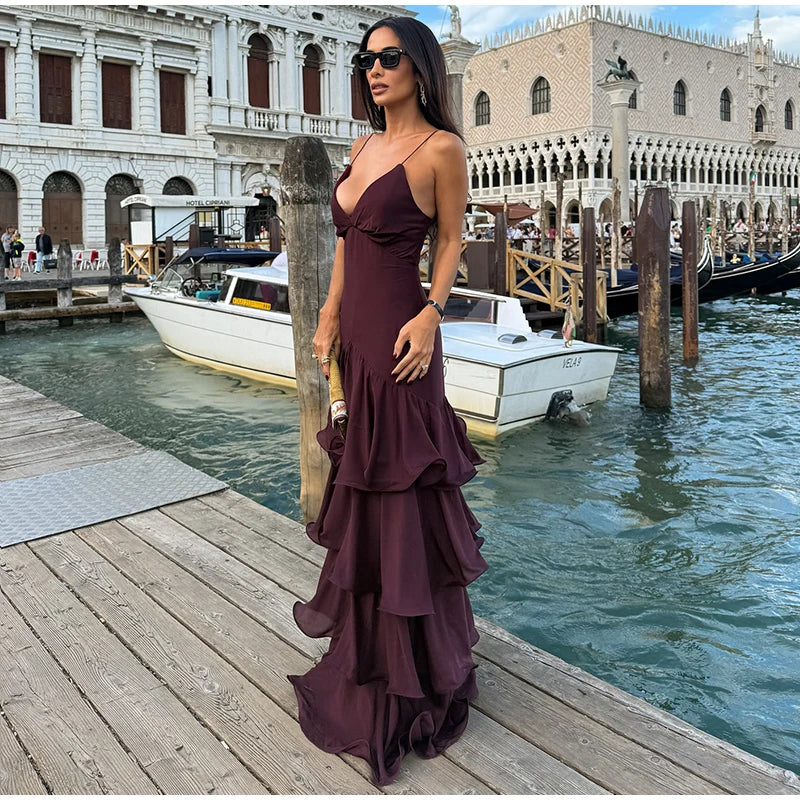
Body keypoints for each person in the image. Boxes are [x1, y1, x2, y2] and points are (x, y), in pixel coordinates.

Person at [289, 16, 487, 786]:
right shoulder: (362, 146)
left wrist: (433, 315)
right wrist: (331, 315)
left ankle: (416, 680)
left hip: (404, 345)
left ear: (420, 65)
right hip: (357, 345)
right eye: (365, 59)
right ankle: (369, 655)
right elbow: (344, 243)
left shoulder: (442, 148)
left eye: (389, 57)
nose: (374, 70)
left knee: (404, 497)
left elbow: (449, 241)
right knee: (363, 498)